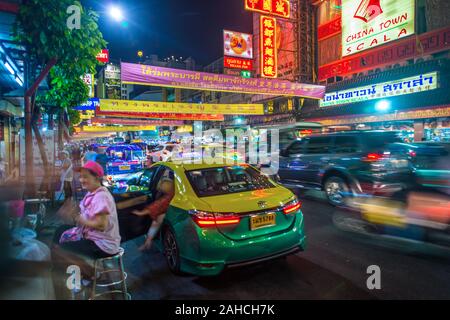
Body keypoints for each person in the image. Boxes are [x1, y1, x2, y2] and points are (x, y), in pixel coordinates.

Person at [52, 161, 121, 279]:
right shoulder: (92, 193)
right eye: (81, 177)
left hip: (102, 244)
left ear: (97, 178)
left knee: (62, 251)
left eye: (85, 177)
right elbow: (85, 216)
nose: (81, 180)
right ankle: (65, 271)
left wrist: (77, 217)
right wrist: (72, 214)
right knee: (60, 230)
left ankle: (84, 275)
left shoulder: (101, 196)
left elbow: (101, 225)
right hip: (92, 237)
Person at [132, 179, 175, 251]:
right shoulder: (173, 193)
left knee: (156, 221)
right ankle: (148, 242)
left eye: (162, 186)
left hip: (170, 214)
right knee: (157, 220)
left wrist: (141, 213)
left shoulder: (167, 197)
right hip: (169, 212)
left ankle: (148, 242)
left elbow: (157, 205)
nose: (161, 188)